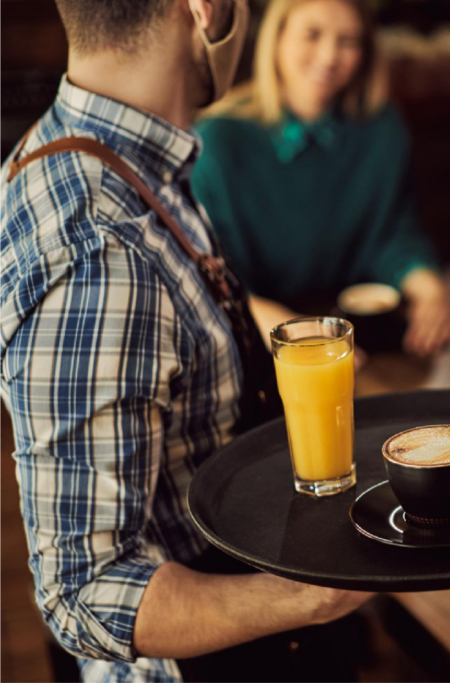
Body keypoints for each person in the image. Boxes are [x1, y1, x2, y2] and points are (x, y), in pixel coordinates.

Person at [0, 1, 372, 680]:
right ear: (202, 7)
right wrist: (309, 596)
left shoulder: (103, 155)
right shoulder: (100, 253)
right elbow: (84, 593)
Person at [192, 0, 450, 357]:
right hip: (260, 346)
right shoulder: (218, 143)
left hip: (361, 336)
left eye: (348, 41)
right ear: (278, 38)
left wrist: (429, 291)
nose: (330, 57)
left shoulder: (382, 129)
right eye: (312, 35)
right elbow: (215, 282)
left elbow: (394, 233)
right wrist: (293, 334)